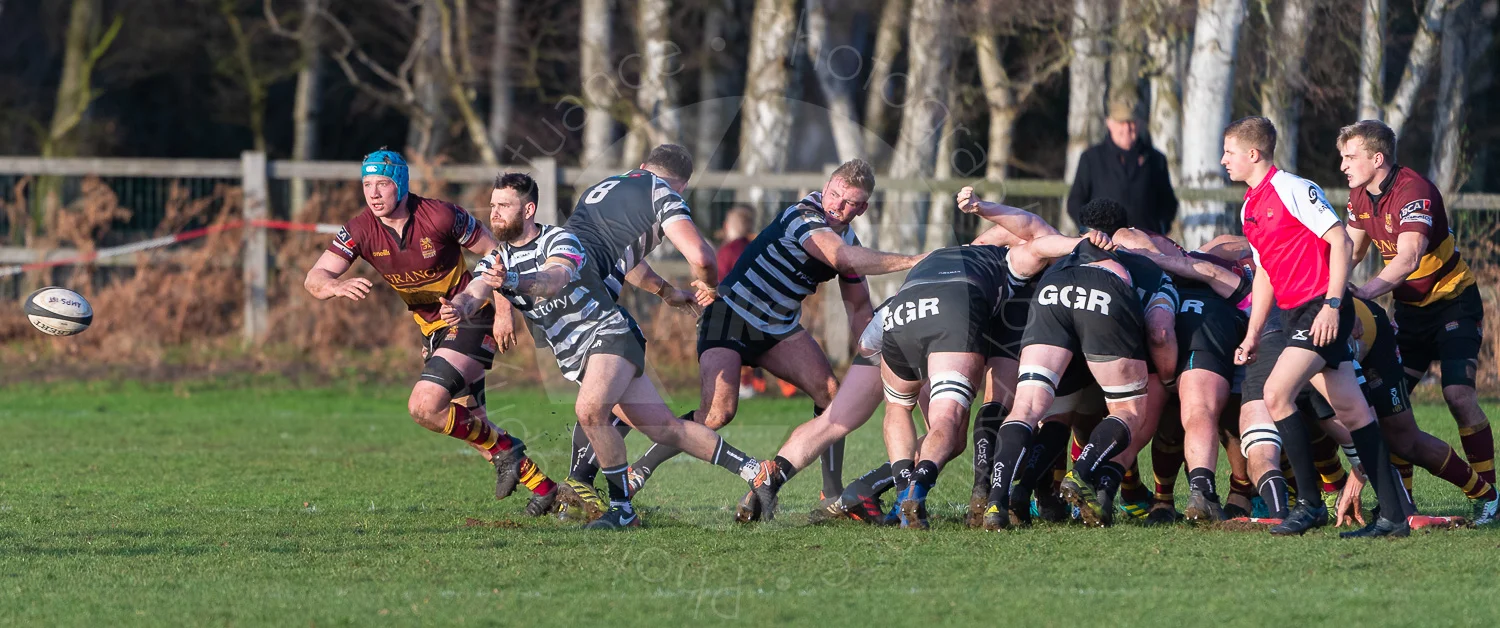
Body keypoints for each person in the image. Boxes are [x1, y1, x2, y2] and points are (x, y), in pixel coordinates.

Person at [628, 160, 924, 503]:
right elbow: (841, 259)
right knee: (716, 413)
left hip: (779, 329)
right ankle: (641, 469)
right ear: (826, 186)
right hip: (731, 316)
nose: (837, 206)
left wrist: (875, 361)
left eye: (849, 203)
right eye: (835, 195)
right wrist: (911, 261)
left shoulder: (851, 240)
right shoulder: (803, 215)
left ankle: (831, 494)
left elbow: (858, 308)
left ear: (863, 208)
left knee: (831, 394)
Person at [303, 150, 556, 516]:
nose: (373, 194)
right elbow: (315, 276)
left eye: (383, 184)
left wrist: (504, 311)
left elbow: (498, 254)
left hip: (471, 318)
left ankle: (508, 450)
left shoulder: (440, 216)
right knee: (473, 425)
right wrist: (332, 287)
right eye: (367, 185)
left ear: (401, 184)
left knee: (425, 405)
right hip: (432, 331)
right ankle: (546, 489)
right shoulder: (360, 229)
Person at [539, 145, 767, 529]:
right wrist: (705, 285)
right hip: (588, 313)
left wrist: (673, 290)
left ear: (643, 167)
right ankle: (757, 472)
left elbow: (654, 259)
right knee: (664, 427)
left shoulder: (606, 186)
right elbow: (703, 258)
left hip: (597, 319)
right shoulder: (663, 193)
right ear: (683, 185)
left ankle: (615, 507)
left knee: (592, 409)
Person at [1227, 116, 1411, 538]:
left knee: (1276, 393)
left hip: (1320, 308)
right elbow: (1266, 275)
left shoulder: (1293, 188)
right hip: (1297, 313)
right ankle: (1395, 517)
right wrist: (1252, 334)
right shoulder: (1249, 207)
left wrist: (1333, 305)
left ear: (1253, 154)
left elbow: (1341, 241)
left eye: (1229, 152)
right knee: (1354, 413)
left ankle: (1308, 504)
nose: (1224, 161)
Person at [1338, 120, 1496, 523]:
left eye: (1350, 156)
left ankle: (1491, 497)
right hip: (1409, 313)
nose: (1342, 165)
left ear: (1378, 159)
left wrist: (1365, 293)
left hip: (1453, 304)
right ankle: (1404, 501)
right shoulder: (1359, 195)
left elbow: (1408, 259)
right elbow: (1350, 253)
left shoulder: (1415, 192)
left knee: (1459, 397)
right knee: (1391, 404)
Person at [1066, 99, 1179, 234]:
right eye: (1121, 123)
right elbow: (1075, 202)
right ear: (1109, 123)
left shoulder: (1156, 159)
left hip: (1146, 244)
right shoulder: (1091, 158)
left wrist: (1160, 228)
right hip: (1103, 245)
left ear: (1138, 124)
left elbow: (1168, 204)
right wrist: (1089, 230)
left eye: (1131, 122)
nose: (1127, 128)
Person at [716, 205, 767, 399]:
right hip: (760, 304)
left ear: (727, 226)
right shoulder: (755, 247)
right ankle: (778, 386)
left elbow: (719, 279)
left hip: (733, 306)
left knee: (734, 348)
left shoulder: (726, 251)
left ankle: (744, 385)